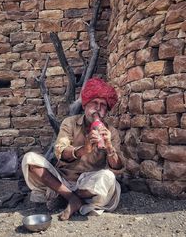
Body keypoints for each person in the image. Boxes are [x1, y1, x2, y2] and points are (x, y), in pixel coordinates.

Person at [22, 77, 124, 221]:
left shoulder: (111, 131)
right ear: (85, 106)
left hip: (89, 183)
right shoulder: (69, 123)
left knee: (108, 178)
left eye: (103, 105)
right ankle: (72, 198)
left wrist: (109, 147)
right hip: (63, 179)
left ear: (106, 111)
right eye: (94, 103)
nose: (98, 109)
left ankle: (68, 197)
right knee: (30, 159)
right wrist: (83, 149)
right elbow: (60, 152)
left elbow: (117, 168)